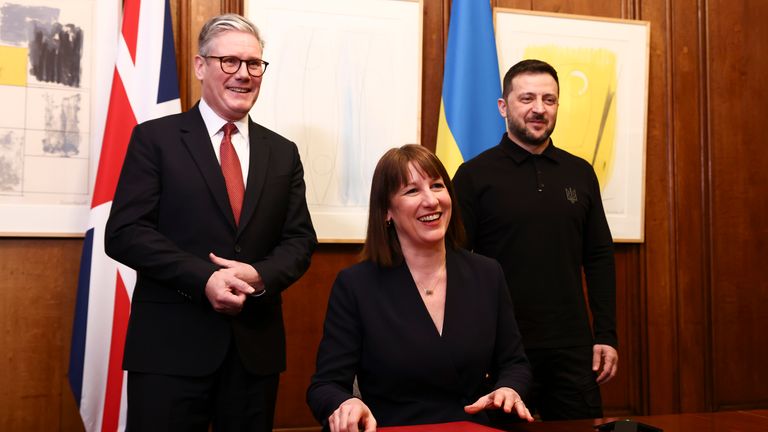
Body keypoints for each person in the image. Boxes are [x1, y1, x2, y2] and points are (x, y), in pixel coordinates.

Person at [104, 13, 317, 431]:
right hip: (169, 352)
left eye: (254, 64)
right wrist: (204, 278)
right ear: (201, 66)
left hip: (254, 354)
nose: (244, 74)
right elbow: (125, 233)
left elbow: (299, 240)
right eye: (230, 62)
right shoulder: (155, 139)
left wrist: (259, 275)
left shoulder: (283, 152)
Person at [306, 144, 533, 432]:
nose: (431, 201)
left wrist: (510, 389)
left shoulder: (487, 273)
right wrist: (345, 404)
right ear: (387, 211)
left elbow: (515, 363)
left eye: (437, 186)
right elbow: (325, 386)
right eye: (412, 191)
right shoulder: (356, 285)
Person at [452, 59, 618, 421]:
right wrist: (468, 344)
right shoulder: (473, 176)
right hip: (502, 348)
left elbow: (600, 256)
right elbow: (455, 266)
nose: (539, 109)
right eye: (527, 98)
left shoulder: (580, 172)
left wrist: (605, 334)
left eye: (549, 99)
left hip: (573, 346)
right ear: (503, 106)